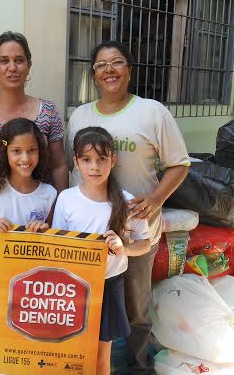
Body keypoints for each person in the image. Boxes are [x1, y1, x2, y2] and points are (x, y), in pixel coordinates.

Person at [66, 40, 190, 374]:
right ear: (94, 75)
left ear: (129, 71)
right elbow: (70, 168)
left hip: (136, 234)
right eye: (101, 65)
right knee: (81, 304)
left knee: (136, 309)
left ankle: (137, 366)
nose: (109, 70)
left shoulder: (152, 112)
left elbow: (179, 164)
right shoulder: (79, 116)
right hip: (87, 236)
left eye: (117, 62)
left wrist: (156, 198)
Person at [0, 31, 68, 374]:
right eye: (4, 60)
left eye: (18, 59)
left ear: (29, 65)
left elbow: (61, 164)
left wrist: (61, 218)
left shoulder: (48, 111)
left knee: (34, 302)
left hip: (39, 223)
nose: (12, 67)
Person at [52, 126, 151, 375]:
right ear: (76, 162)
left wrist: (123, 248)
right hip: (71, 286)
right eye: (86, 160)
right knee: (70, 353)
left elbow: (145, 242)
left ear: (113, 160)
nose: (94, 167)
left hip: (108, 284)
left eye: (101, 159)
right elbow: (57, 244)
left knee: (100, 357)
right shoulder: (66, 198)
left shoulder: (127, 201)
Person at [0, 118, 57, 328]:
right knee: (0, 345)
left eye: (32, 150)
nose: (25, 158)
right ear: (5, 152)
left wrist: (45, 232)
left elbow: (56, 240)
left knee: (27, 347)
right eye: (17, 151)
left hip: (33, 285)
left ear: (40, 152)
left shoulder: (49, 194)